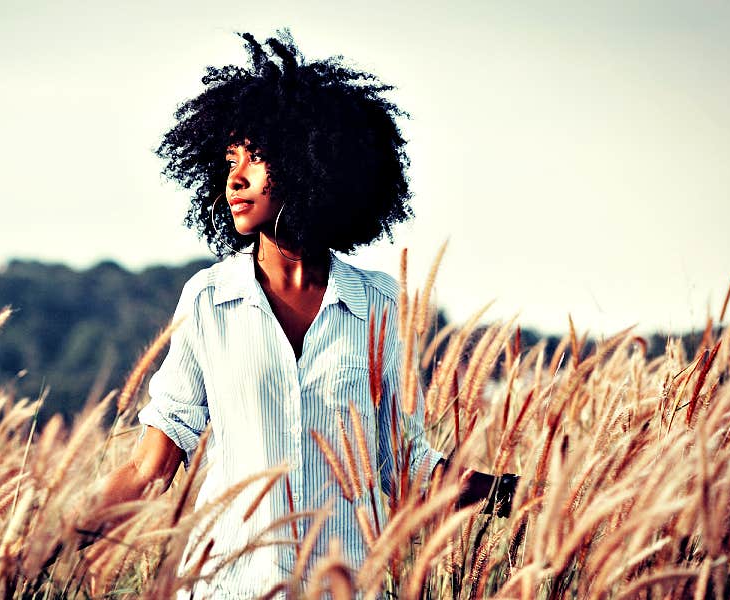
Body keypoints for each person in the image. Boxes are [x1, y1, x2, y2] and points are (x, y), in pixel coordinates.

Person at [77, 30, 515, 598]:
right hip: (226, 587)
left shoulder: (378, 303)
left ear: (313, 158)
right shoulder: (210, 300)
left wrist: (513, 496)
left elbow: (404, 463)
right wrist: (53, 539)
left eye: (255, 158)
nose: (235, 178)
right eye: (229, 160)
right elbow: (150, 469)